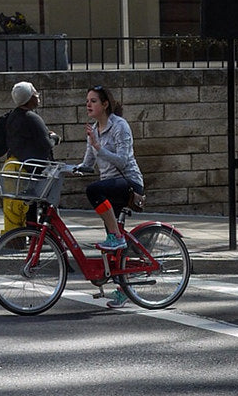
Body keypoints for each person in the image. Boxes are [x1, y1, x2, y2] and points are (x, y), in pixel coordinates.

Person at [77, 85, 144, 309]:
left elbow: (123, 161)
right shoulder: (94, 129)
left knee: (93, 191)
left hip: (129, 183)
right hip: (111, 187)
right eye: (87, 101)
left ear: (105, 104)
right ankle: (124, 289)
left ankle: (116, 236)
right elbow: (87, 164)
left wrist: (99, 147)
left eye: (93, 101)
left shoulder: (120, 126)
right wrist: (66, 169)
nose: (88, 104)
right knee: (113, 247)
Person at [2, 81, 60, 234]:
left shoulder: (13, 116)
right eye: (35, 93)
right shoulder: (32, 118)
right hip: (36, 168)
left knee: (30, 203)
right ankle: (45, 233)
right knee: (48, 199)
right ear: (29, 98)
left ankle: (31, 231)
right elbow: (47, 143)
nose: (37, 95)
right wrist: (55, 137)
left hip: (21, 166)